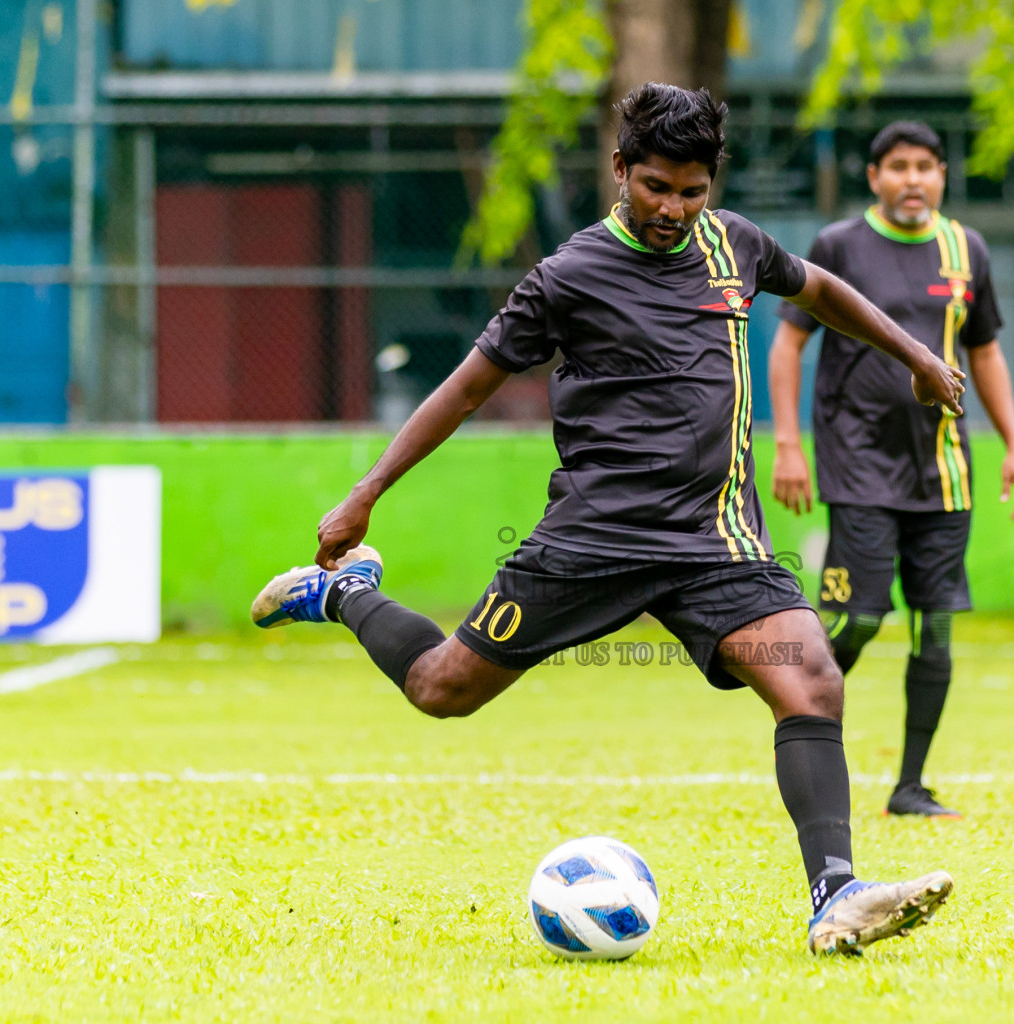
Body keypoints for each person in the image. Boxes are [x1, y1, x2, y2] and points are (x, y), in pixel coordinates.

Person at [252, 85, 964, 955]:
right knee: (443, 689)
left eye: (691, 190)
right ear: (621, 170)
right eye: (656, 186)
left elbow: (820, 291)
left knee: (811, 678)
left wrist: (920, 355)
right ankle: (344, 595)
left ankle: (835, 894)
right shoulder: (566, 276)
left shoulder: (735, 245)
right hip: (591, 539)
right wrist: (365, 495)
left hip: (713, 544)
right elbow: (468, 387)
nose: (672, 208)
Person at [769, 121, 1014, 820]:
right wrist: (789, 445)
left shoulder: (965, 249)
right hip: (856, 465)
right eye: (899, 167)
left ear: (943, 175)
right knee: (854, 618)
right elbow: (789, 346)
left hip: (944, 471)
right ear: (874, 177)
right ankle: (800, 735)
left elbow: (985, 356)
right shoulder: (837, 246)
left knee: (936, 625)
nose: (913, 179)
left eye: (927, 166)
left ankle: (909, 786)